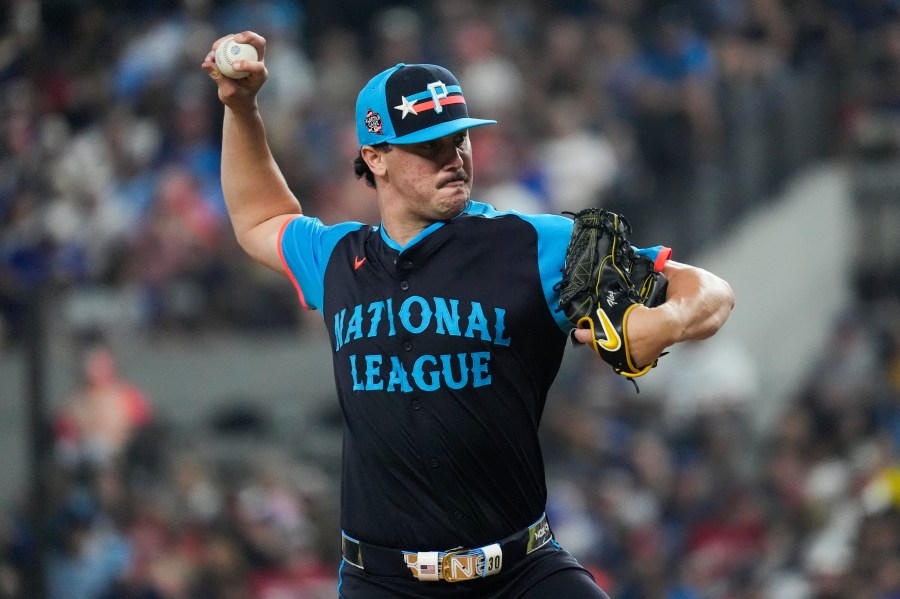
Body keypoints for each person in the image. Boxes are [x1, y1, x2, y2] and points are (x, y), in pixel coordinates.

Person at [202, 31, 735, 598]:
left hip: (520, 572)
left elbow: (711, 291)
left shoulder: (534, 245)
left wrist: (666, 320)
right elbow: (259, 219)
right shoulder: (338, 258)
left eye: (459, 140)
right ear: (375, 158)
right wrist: (241, 108)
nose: (453, 158)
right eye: (429, 146)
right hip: (383, 582)